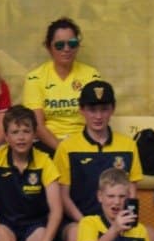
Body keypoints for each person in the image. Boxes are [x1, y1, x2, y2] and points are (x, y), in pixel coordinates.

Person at [0, 106, 61, 241]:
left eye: (26, 131)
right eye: (15, 132)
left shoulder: (45, 161)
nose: (21, 137)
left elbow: (56, 210)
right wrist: (0, 232)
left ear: (35, 135)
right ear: (6, 137)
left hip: (34, 224)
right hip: (3, 222)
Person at [55, 79, 141, 228]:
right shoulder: (67, 147)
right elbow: (63, 196)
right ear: (81, 110)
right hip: (78, 221)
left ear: (113, 109)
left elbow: (132, 192)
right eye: (92, 110)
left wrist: (127, 222)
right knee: (75, 234)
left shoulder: (128, 145)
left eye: (104, 109)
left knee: (151, 235)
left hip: (117, 222)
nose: (98, 116)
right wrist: (86, 224)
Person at [22, 18, 101, 152]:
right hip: (48, 143)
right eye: (59, 45)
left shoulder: (91, 75)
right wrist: (63, 150)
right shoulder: (35, 78)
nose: (66, 49)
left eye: (72, 44)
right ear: (49, 47)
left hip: (84, 142)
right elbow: (37, 125)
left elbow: (97, 118)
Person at [73, 166, 151, 241]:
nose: (117, 202)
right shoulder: (89, 223)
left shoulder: (139, 230)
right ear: (100, 196)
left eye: (122, 197)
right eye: (111, 196)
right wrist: (114, 230)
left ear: (129, 197)